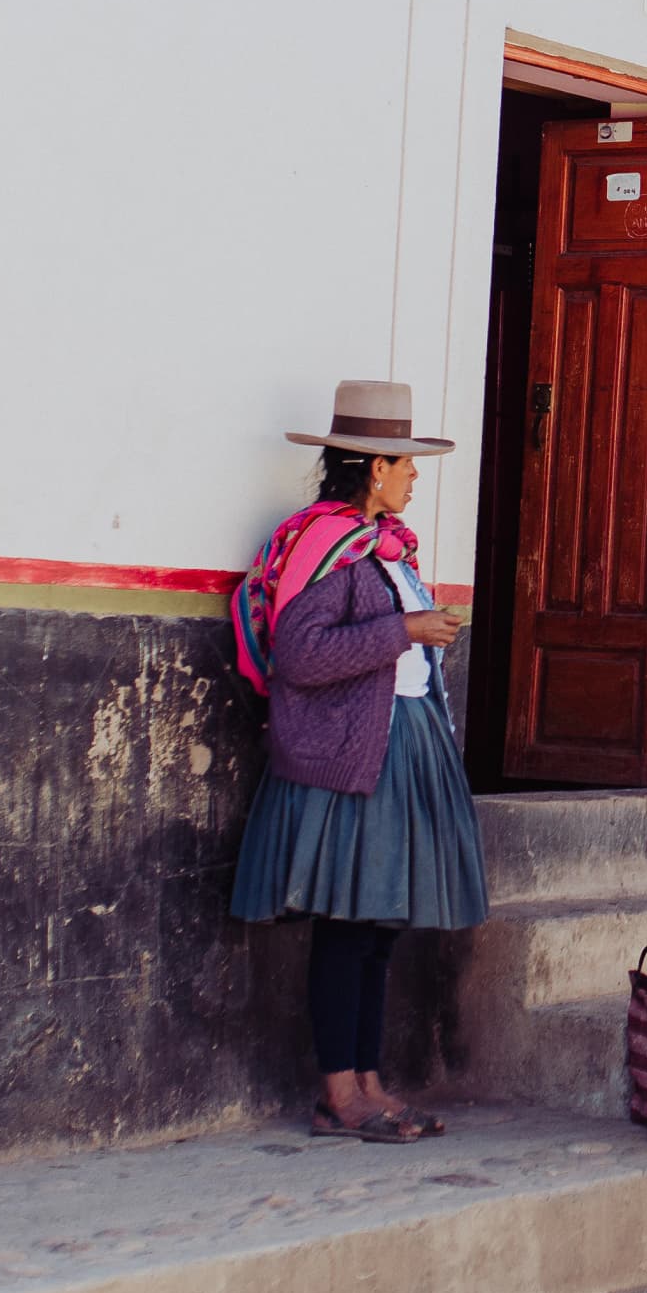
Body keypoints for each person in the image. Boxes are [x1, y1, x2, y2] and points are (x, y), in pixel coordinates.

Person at [231, 380, 488, 1139]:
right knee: (346, 927)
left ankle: (371, 1081)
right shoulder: (328, 545)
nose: (414, 476)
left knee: (380, 926)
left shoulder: (386, 550)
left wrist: (419, 628)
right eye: (404, 463)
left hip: (401, 747)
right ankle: (337, 1091)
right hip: (349, 759)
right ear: (374, 467)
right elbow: (302, 655)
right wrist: (405, 629)